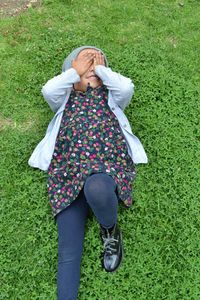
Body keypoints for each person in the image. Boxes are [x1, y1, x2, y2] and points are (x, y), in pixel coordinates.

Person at [28, 45, 148, 300]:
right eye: (85, 66)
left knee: (97, 188)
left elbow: (126, 87)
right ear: (71, 74)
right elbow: (48, 89)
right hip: (68, 177)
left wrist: (102, 70)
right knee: (68, 252)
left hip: (105, 169)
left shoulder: (112, 98)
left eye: (96, 65)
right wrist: (75, 72)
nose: (91, 70)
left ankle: (110, 229)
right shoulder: (63, 99)